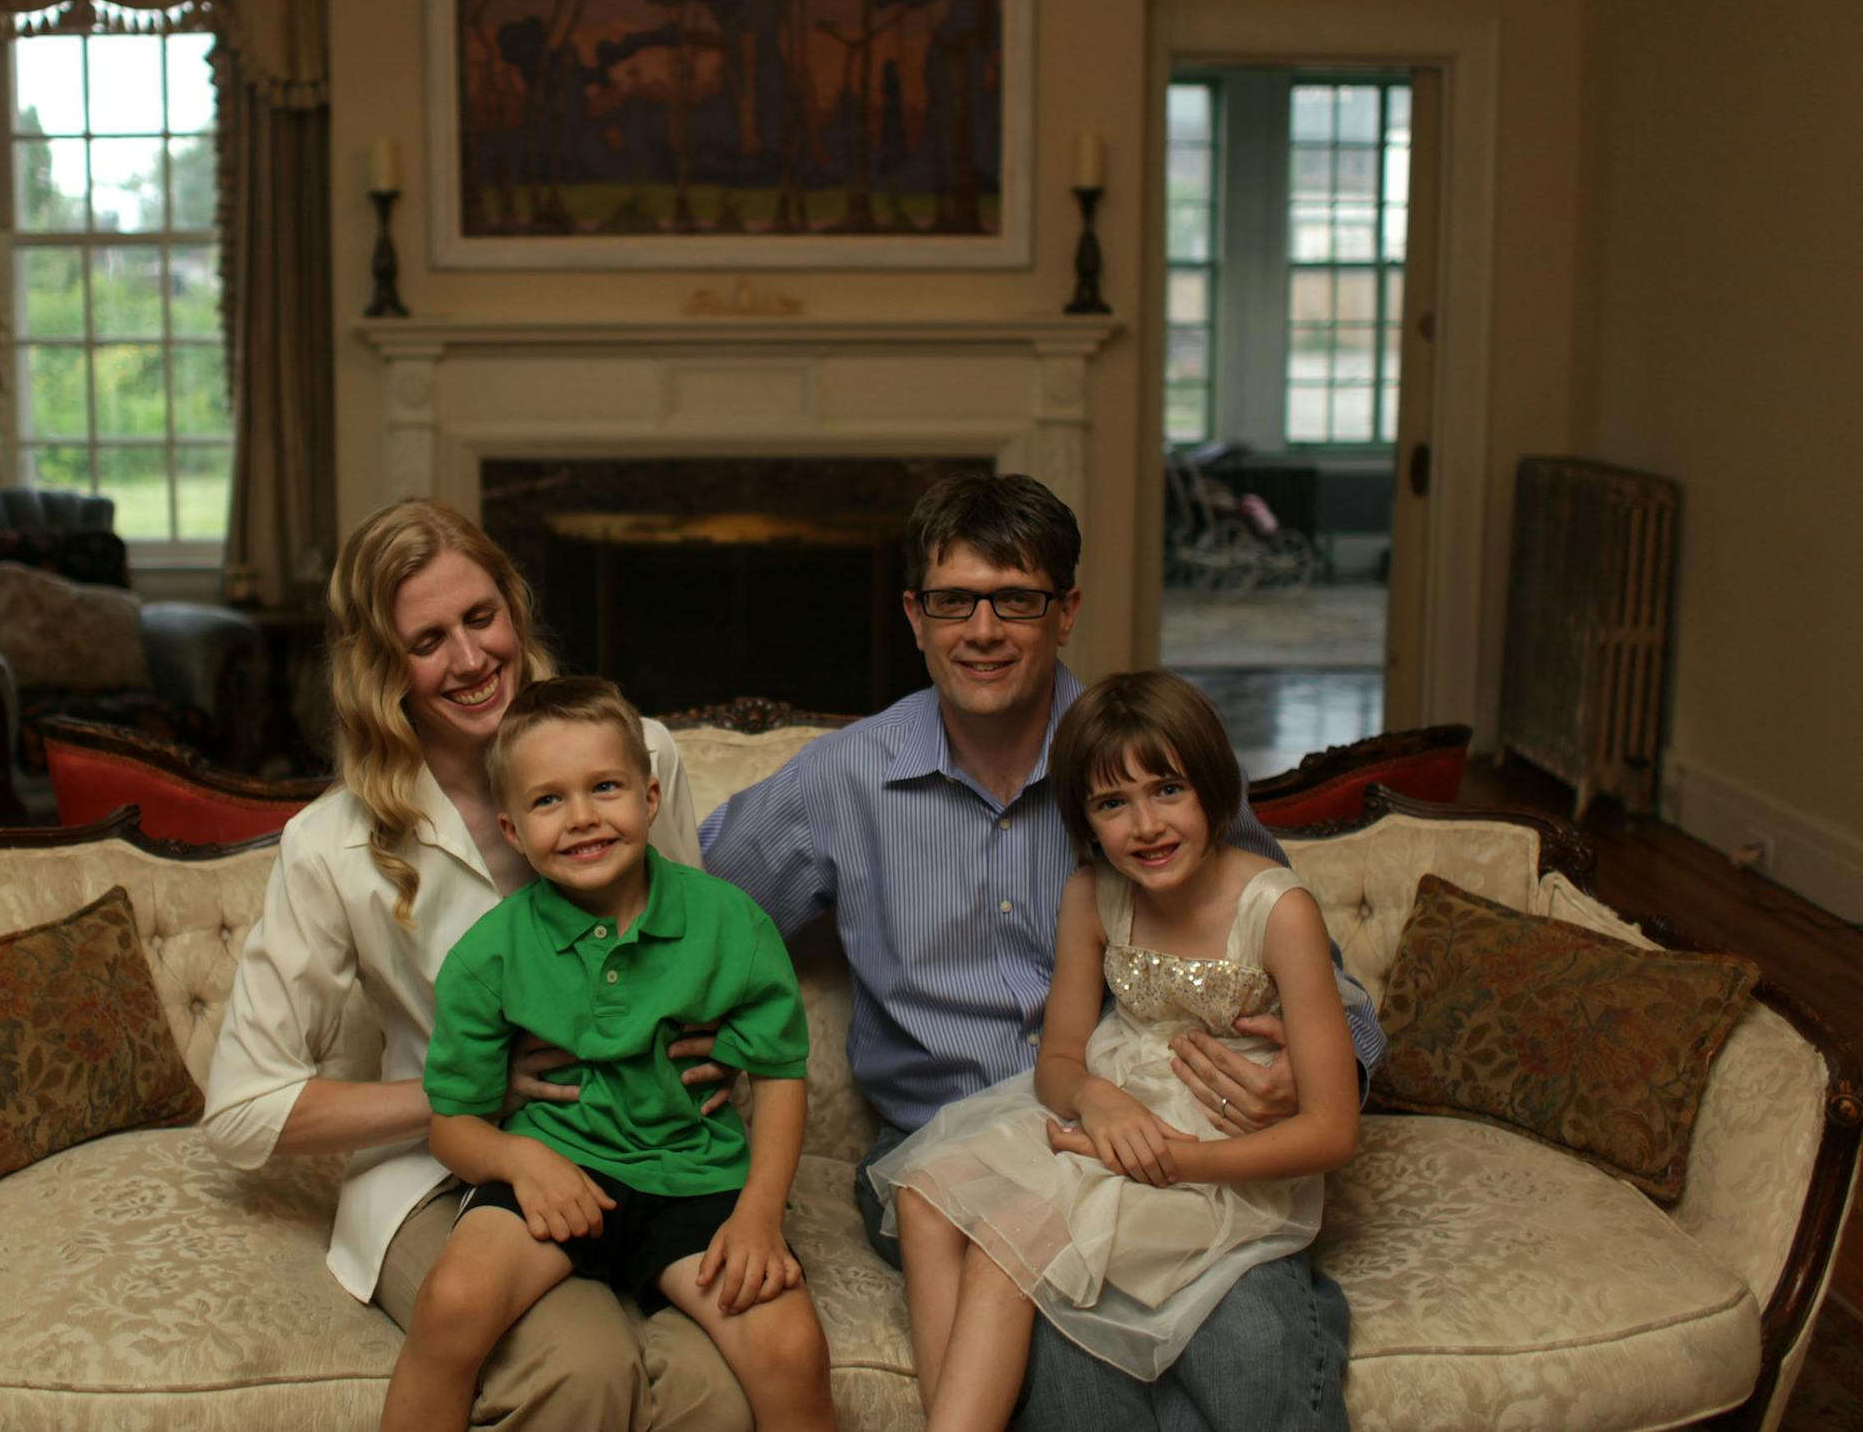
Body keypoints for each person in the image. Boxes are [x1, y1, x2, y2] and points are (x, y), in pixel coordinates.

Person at [701, 471, 1385, 1432]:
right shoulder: (842, 780)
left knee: (1256, 1358)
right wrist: (639, 1021)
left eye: (1016, 599)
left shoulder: (1147, 769)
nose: (983, 629)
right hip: (946, 1151)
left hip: (1154, 1136)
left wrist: (1320, 1074)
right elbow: (687, 911)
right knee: (1072, 1387)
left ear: (1065, 611)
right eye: (954, 601)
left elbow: (1309, 965)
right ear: (915, 615)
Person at [202, 498, 751, 1432]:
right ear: (383, 666)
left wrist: (725, 1054)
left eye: (480, 617)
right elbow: (244, 1112)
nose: (468, 659)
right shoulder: (333, 845)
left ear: (516, 608)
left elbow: (699, 961)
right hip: (442, 1174)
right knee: (580, 1371)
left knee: (715, 1383)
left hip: (650, 1152)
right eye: (426, 639)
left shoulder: (639, 754)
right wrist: (468, 1090)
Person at [868, 671, 1359, 1429]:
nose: (1145, 825)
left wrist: (1173, 1159)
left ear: (1216, 790)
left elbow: (1332, 1130)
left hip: (1214, 1148)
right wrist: (1099, 1098)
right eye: (1111, 804)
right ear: (1086, 821)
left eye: (1168, 790)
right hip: (1115, 1107)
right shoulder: (1092, 895)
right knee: (923, 1197)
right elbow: (1059, 1059)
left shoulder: (1278, 910)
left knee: (1009, 1244)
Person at [390, 676, 834, 1432]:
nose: (583, 818)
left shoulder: (730, 922)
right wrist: (516, 1162)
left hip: (697, 1176)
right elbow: (452, 1126)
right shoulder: (488, 956)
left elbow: (780, 1074)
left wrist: (760, 1216)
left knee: (791, 1348)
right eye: (548, 800)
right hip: (559, 1171)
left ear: (650, 798)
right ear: (511, 826)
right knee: (453, 1303)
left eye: (605, 788)